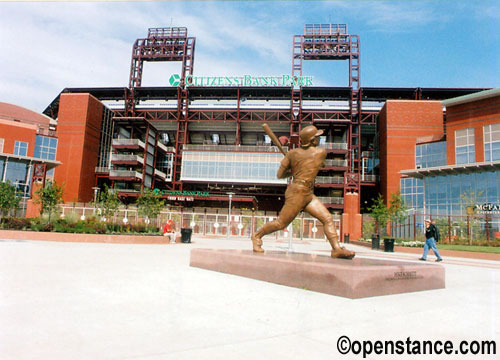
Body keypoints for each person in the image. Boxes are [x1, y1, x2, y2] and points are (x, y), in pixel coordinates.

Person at [251, 125, 355, 259]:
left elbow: (280, 174)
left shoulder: (293, 154)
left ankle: (336, 249)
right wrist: (296, 168)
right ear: (312, 140)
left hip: (308, 193)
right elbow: (316, 164)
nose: (319, 139)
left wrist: (292, 170)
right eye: (317, 137)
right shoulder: (320, 153)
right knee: (281, 223)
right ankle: (257, 236)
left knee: (327, 218)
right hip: (297, 192)